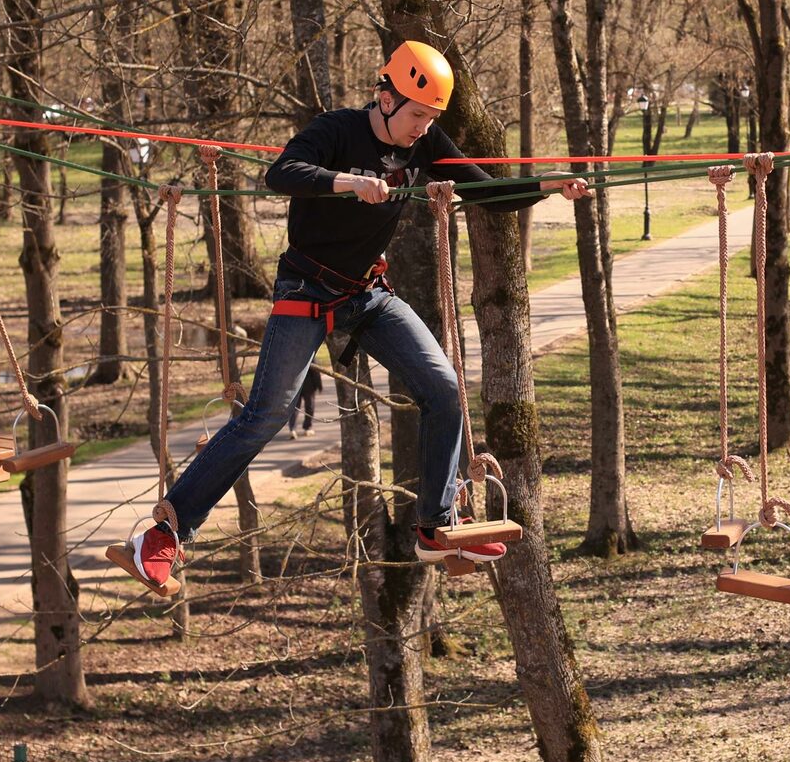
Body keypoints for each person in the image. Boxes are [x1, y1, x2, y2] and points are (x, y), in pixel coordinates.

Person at [111, 40, 589, 593]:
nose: (422, 128)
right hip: (306, 287)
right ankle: (163, 535)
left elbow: (490, 192)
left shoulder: (426, 142)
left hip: (367, 294)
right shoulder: (336, 130)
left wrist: (552, 185)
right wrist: (348, 181)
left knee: (442, 387)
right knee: (266, 413)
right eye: (416, 114)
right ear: (385, 98)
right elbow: (282, 173)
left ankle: (435, 526)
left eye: (431, 118)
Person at [287, 357, 323, 438]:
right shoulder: (310, 355)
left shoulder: (292, 356)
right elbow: (316, 371)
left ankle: (292, 429)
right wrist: (319, 385)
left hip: (295, 386)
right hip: (308, 386)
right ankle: (307, 428)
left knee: (294, 408)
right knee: (309, 407)